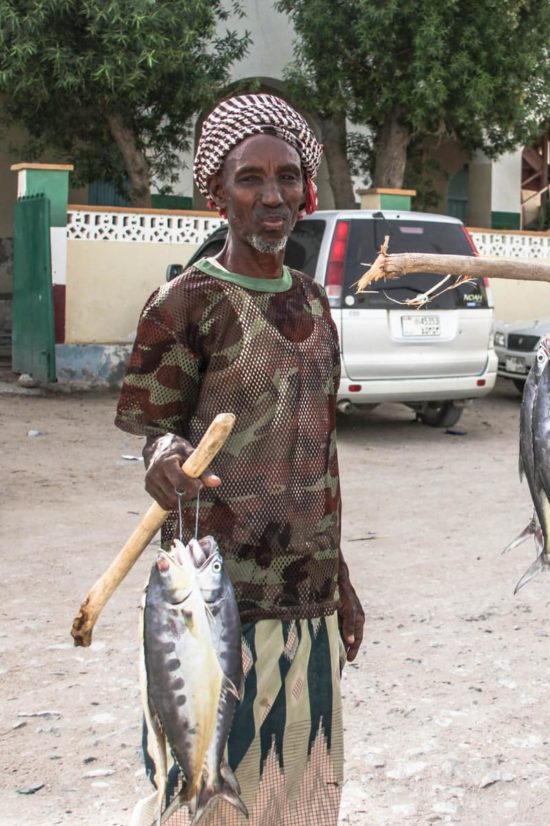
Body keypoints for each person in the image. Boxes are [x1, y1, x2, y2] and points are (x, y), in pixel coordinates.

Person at [117, 93, 364, 826]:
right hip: (210, 604)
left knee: (300, 799)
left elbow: (321, 457)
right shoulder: (186, 302)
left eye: (287, 177)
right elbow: (153, 431)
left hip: (306, 605)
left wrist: (340, 579)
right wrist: (163, 457)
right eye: (249, 179)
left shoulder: (316, 306)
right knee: (203, 798)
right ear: (215, 192)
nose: (272, 196)